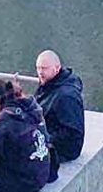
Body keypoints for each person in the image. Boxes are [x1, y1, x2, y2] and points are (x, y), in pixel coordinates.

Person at [33, 49, 85, 179]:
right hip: (47, 137)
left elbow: (72, 132)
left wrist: (43, 139)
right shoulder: (49, 85)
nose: (40, 72)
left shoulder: (66, 96)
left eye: (44, 68)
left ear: (57, 68)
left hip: (63, 150)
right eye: (38, 68)